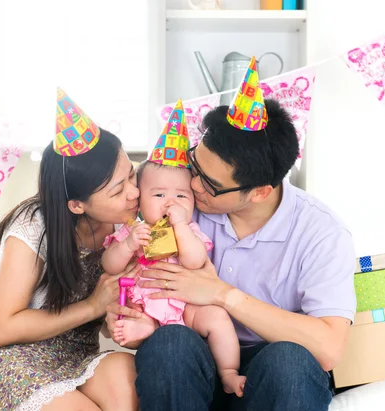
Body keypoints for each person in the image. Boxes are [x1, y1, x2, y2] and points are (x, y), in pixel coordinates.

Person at [105, 58, 357, 411]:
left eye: (208, 183)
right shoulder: (177, 204)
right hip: (193, 357)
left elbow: (329, 349)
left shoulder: (320, 232)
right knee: (170, 343)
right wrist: (129, 317)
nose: (191, 185)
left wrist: (223, 294)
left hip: (271, 371)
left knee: (290, 361)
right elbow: (122, 266)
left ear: (259, 192)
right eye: (195, 165)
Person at [0, 88, 140, 411]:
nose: (134, 193)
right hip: (5, 355)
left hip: (73, 353)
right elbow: (2, 328)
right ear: (77, 205)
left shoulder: (128, 228)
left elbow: (114, 319)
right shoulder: (36, 227)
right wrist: (95, 305)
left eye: (131, 176)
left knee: (126, 375)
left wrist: (122, 315)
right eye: (118, 190)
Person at [101, 100, 246, 397]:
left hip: (187, 306)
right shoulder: (133, 229)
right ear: (140, 200)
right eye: (159, 194)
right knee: (132, 320)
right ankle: (148, 331)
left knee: (218, 319)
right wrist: (129, 244)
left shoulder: (189, 230)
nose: (171, 202)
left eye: (182, 195)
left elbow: (194, 262)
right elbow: (110, 265)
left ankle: (228, 372)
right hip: (148, 303)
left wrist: (180, 227)